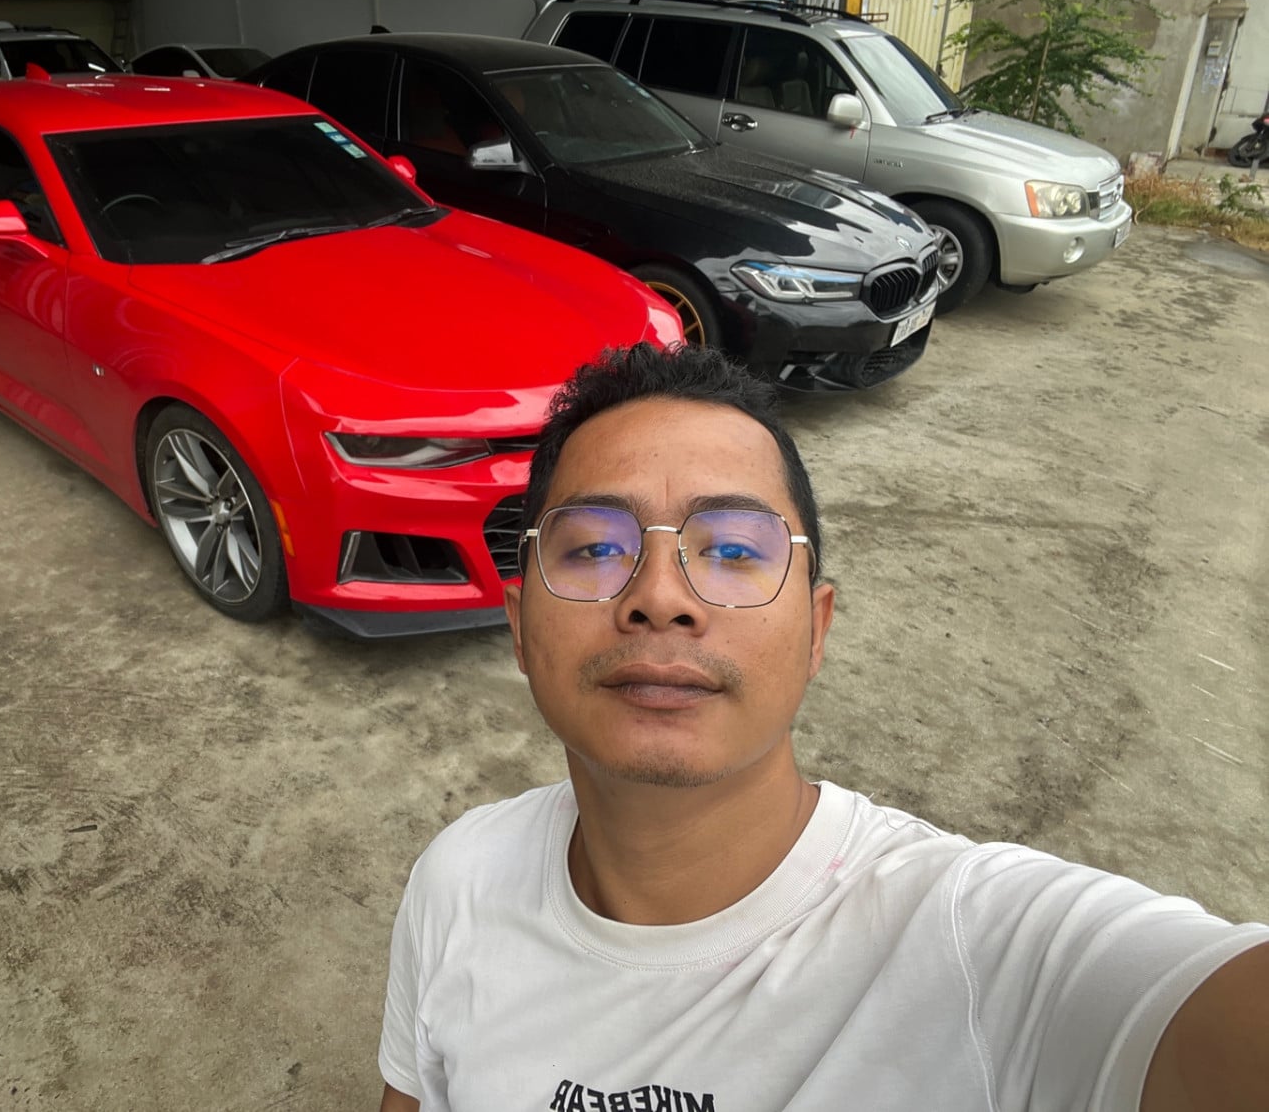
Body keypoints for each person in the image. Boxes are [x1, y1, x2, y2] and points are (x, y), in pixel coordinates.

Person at [376, 343, 1269, 1112]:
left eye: (733, 549)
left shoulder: (976, 945)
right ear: (520, 625)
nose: (660, 595)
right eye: (596, 546)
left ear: (817, 629)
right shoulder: (460, 880)